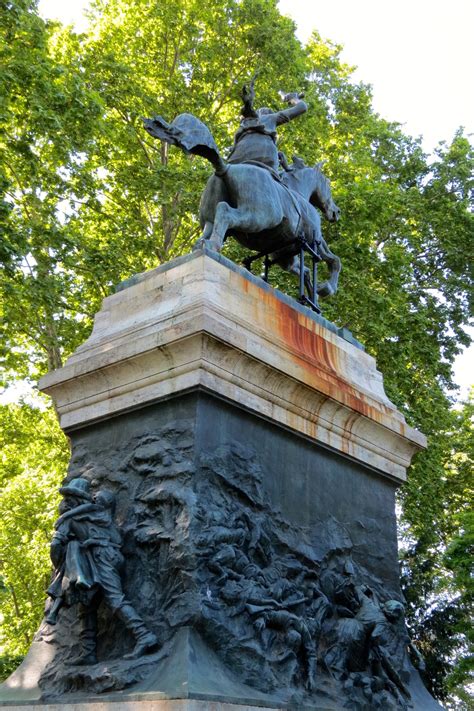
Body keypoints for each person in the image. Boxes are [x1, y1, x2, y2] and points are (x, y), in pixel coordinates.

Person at [46, 477, 158, 664]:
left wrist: (60, 566)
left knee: (114, 599)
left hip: (101, 559)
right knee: (87, 604)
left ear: (75, 499)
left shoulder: (71, 517)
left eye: (68, 498)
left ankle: (144, 635)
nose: (65, 502)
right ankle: (88, 652)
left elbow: (56, 545)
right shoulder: (100, 514)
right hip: (107, 558)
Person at [227, 76, 307, 174]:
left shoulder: (245, 122)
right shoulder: (271, 118)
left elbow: (236, 136)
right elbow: (302, 107)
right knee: (277, 182)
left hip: (237, 155)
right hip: (264, 155)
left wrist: (233, 147)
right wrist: (293, 98)